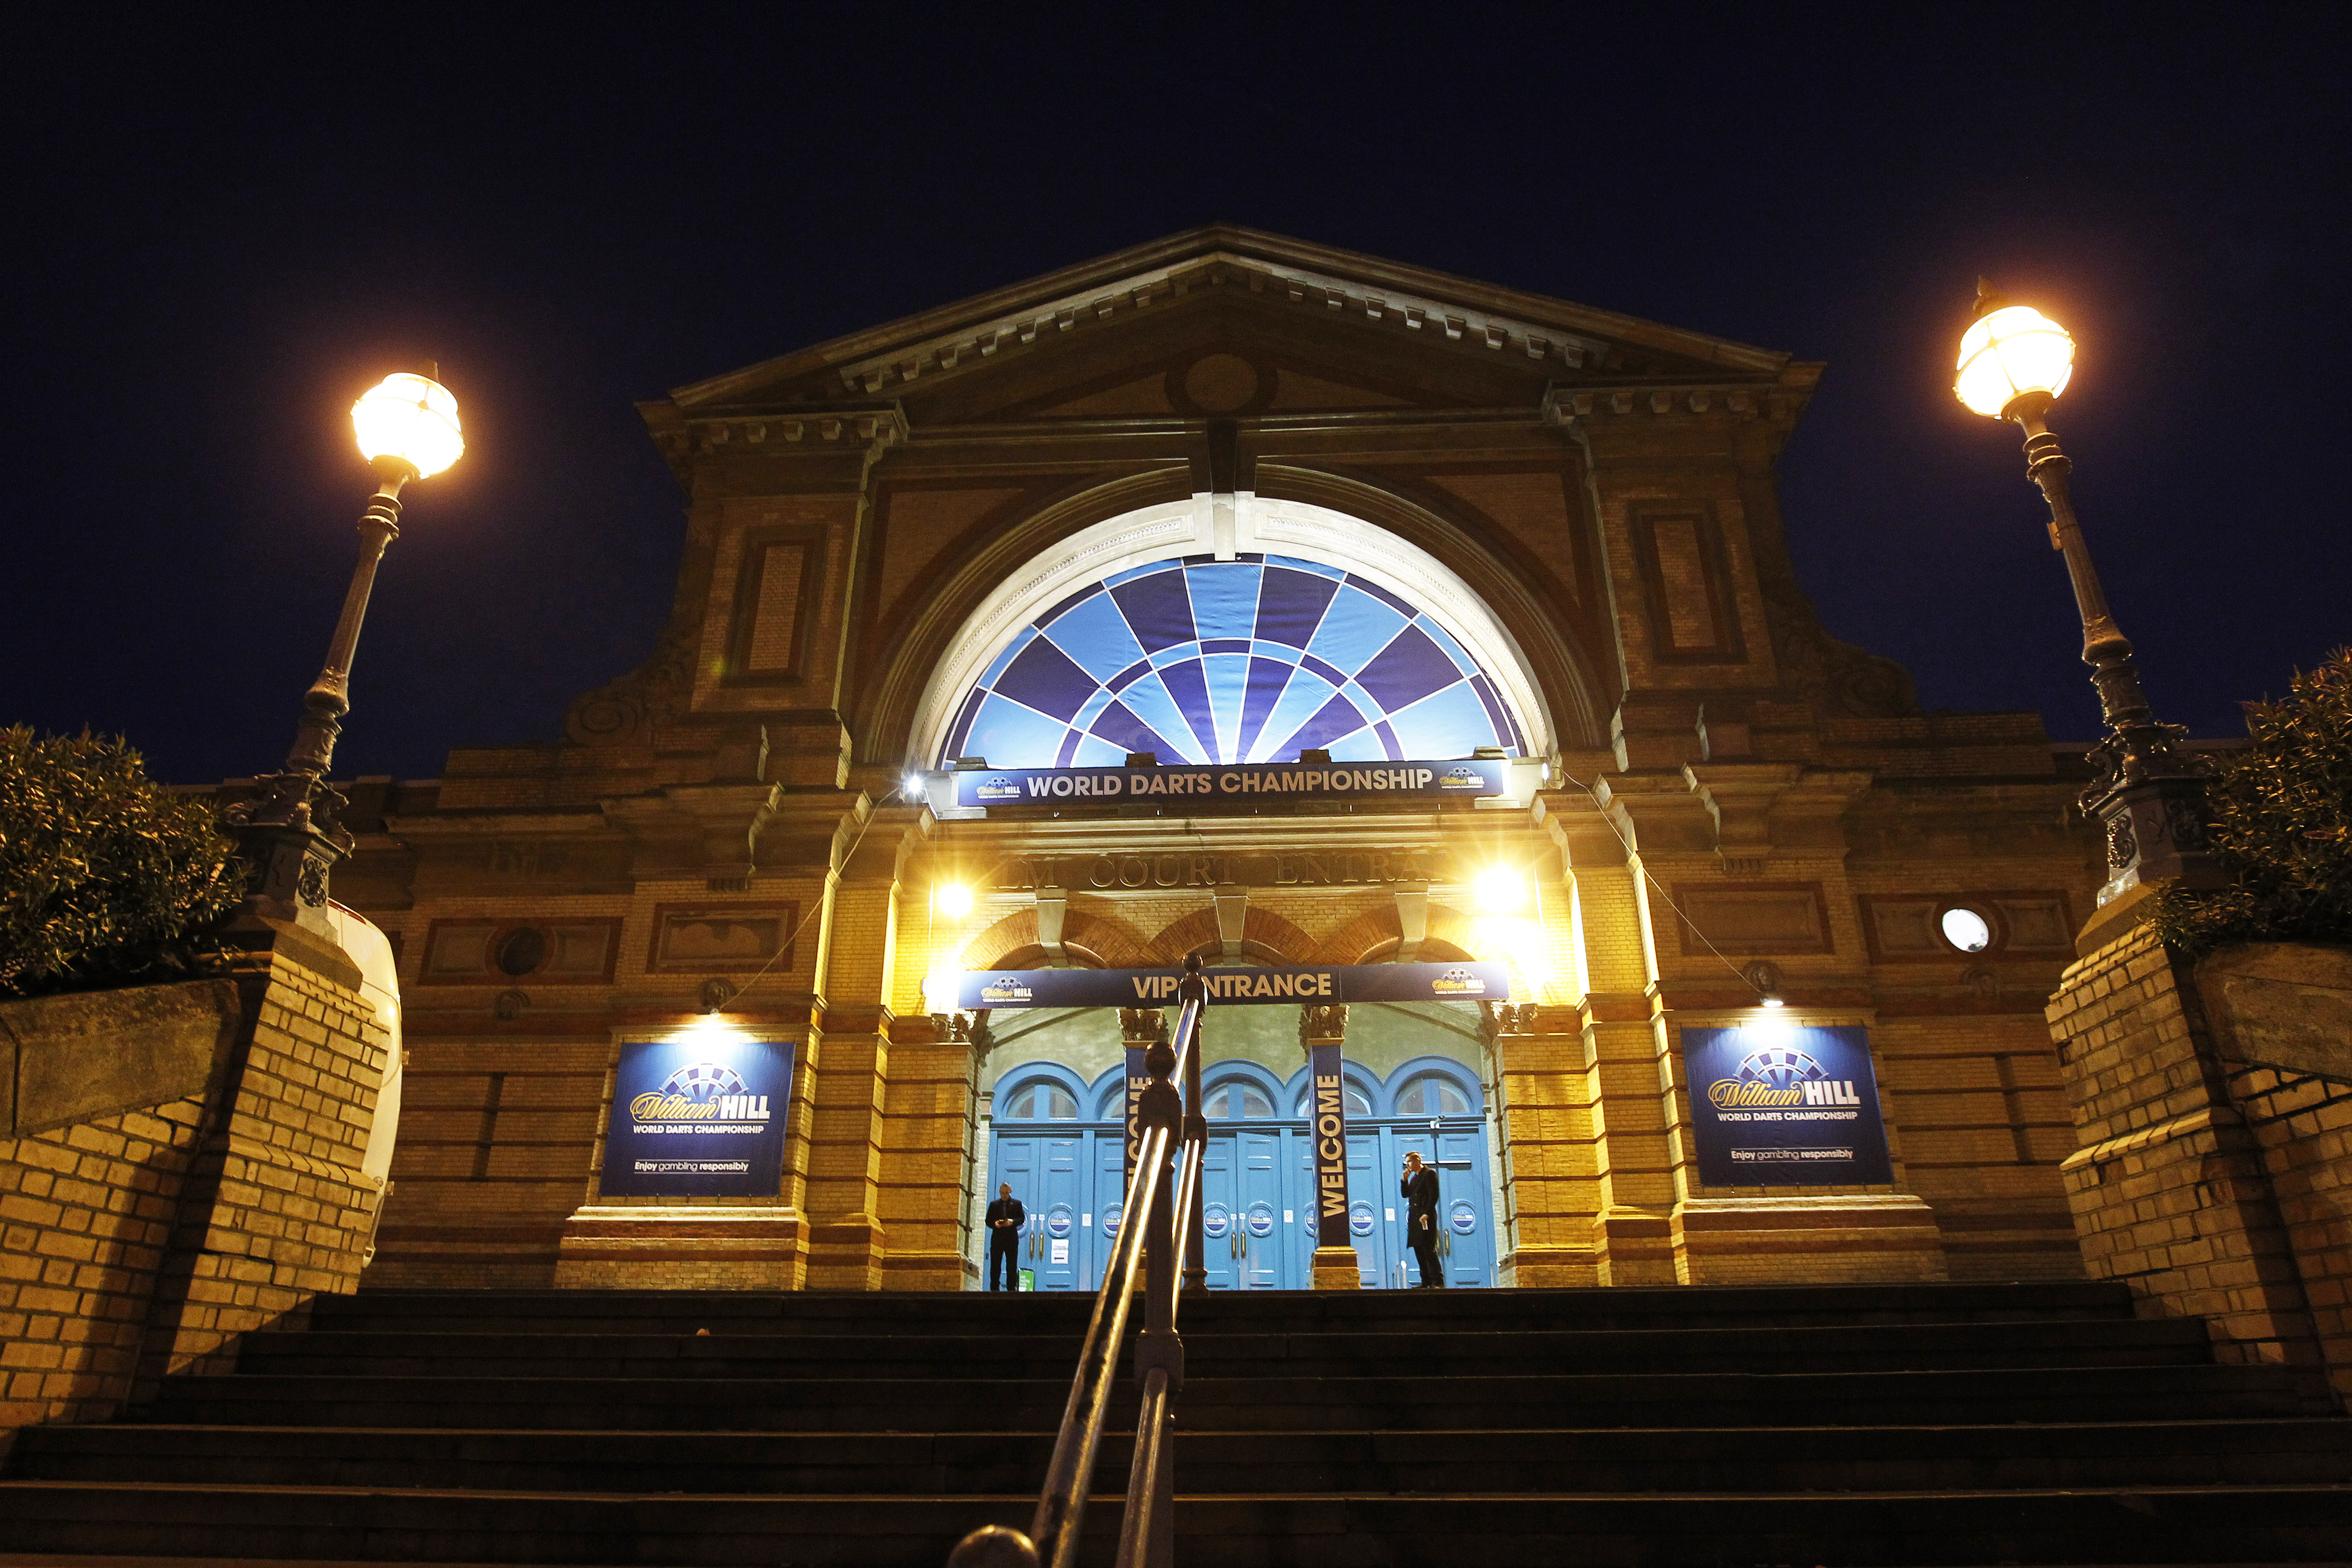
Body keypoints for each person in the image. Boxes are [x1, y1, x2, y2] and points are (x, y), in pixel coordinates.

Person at [1400, 1151, 1443, 1288]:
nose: (1408, 1165)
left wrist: (1427, 1213)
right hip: (1415, 1219)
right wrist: (1405, 1180)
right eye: (1407, 1163)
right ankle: (1426, 1281)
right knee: (1419, 1250)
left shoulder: (1429, 1174)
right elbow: (1406, 1194)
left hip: (1426, 1218)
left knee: (1428, 1249)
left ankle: (1437, 1281)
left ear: (1417, 1161)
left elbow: (1434, 1195)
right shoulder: (1415, 1178)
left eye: (1409, 1162)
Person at [985, 1182, 1026, 1291]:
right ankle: (994, 1288)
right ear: (1000, 1192)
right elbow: (988, 1221)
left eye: (1006, 1193)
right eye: (1002, 1193)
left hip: (1011, 1238)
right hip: (997, 1238)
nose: (1004, 1195)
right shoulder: (994, 1205)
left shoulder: (1017, 1204)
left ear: (1010, 1192)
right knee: (995, 1264)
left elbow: (1022, 1219)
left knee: (1012, 1264)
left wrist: (1012, 1222)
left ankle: (1011, 1288)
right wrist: (995, 1224)